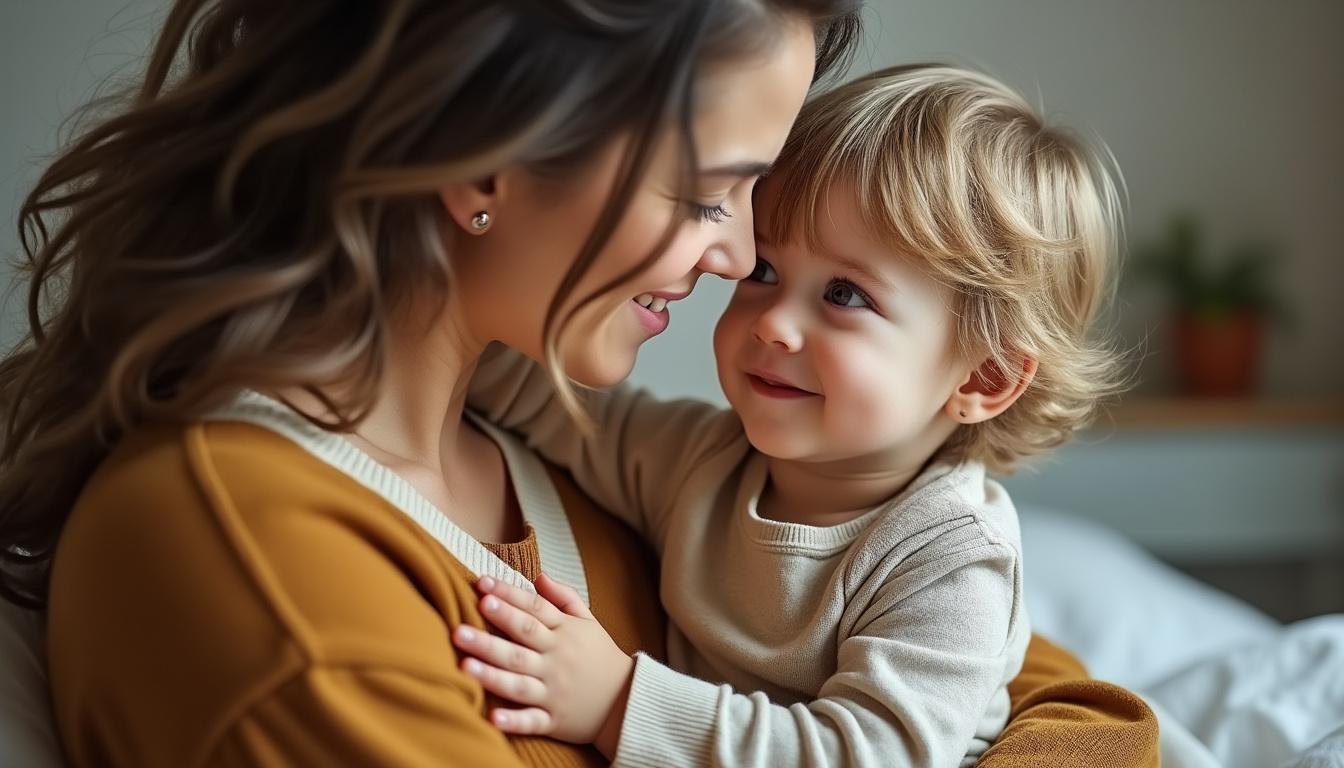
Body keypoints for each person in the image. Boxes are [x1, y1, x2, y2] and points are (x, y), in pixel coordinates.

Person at [0, 0, 1156, 764]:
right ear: (485, 159)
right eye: (712, 195)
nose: (730, 264)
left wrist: (627, 702)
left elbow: (1050, 701)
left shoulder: (520, 432)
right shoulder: (259, 577)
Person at [458, 63, 1127, 767]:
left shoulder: (950, 561)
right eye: (765, 272)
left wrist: (619, 700)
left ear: (983, 376)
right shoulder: (699, 462)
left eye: (844, 294)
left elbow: (863, 756)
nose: (774, 323)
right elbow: (544, 401)